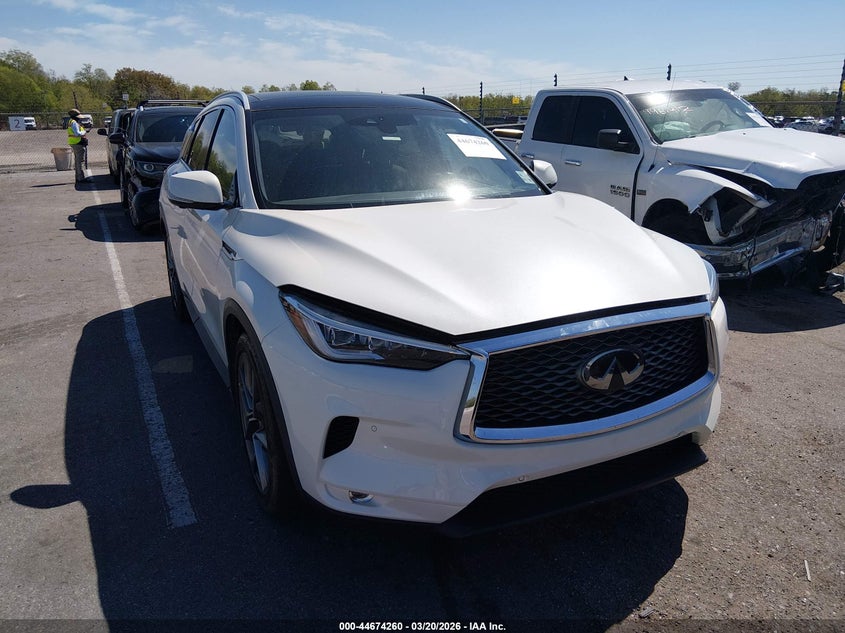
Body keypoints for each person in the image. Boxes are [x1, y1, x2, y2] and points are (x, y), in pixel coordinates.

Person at [67, 109, 92, 183]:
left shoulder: (70, 121)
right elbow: (77, 133)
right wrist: (84, 131)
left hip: (74, 142)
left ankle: (79, 176)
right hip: (77, 142)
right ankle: (80, 177)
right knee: (80, 161)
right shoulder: (74, 122)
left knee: (78, 161)